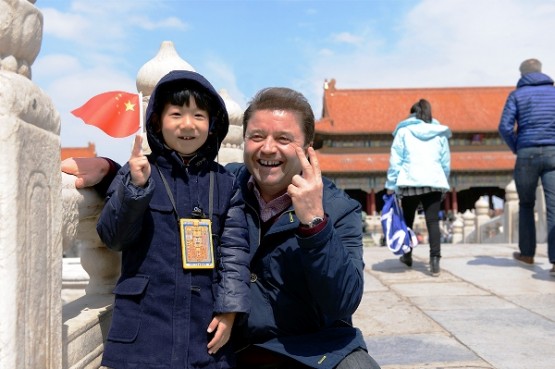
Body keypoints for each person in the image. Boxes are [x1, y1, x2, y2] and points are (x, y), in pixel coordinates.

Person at [62, 87, 382, 369]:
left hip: (312, 353)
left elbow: (342, 303)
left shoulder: (339, 208)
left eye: (284, 139)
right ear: (243, 141)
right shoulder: (223, 182)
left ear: (309, 147)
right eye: (257, 136)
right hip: (233, 349)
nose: (268, 148)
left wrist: (315, 223)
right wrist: (111, 172)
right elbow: (169, 183)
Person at [93, 70, 251, 369]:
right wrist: (136, 188)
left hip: (205, 329)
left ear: (212, 123)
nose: (187, 125)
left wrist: (229, 311)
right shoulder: (136, 172)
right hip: (144, 330)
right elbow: (113, 237)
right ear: (156, 121)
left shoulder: (226, 183)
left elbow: (235, 253)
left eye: (199, 115)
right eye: (176, 114)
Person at [498, 58, 555, 275]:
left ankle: (527, 254)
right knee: (554, 208)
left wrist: (517, 146)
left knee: (526, 204)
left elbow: (504, 126)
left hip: (526, 154)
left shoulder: (516, 95)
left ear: (522, 75)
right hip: (553, 153)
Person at [384, 99, 451, 276]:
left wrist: (391, 184)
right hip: (434, 181)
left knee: (407, 220)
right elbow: (445, 161)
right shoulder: (439, 132)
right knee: (433, 221)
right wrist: (443, 180)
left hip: (410, 181)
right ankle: (435, 260)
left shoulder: (404, 131)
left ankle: (407, 256)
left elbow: (396, 160)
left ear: (412, 113)